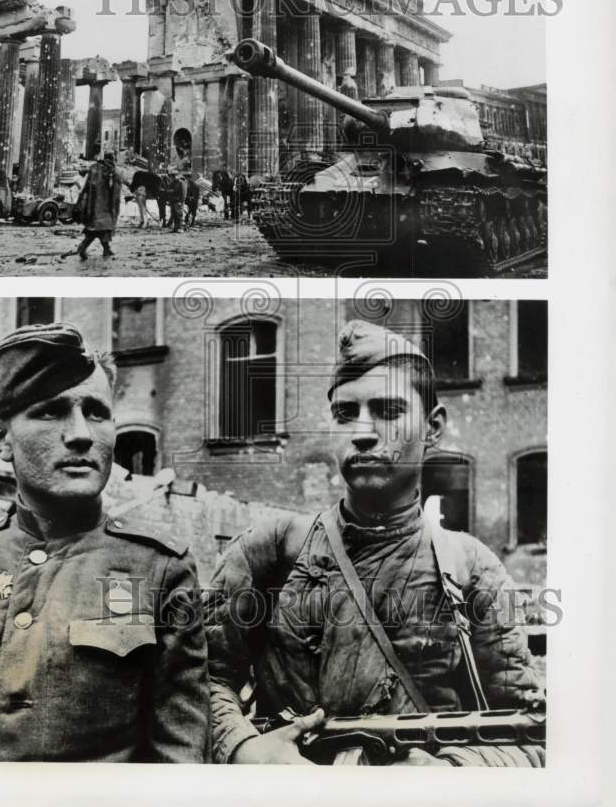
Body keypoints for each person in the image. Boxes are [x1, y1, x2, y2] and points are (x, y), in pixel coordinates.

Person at [205, 319, 544, 767]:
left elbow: (529, 732)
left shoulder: (472, 568)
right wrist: (247, 749)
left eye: (388, 410)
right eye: (345, 413)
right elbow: (197, 678)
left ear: (434, 427)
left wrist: (452, 773)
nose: (362, 431)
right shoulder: (270, 550)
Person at [0, 322, 211, 762]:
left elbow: (179, 751)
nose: (81, 434)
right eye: (52, 411)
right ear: (1, 439)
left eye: (96, 411)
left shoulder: (160, 568)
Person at [77, 152, 122, 259]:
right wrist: (115, 206)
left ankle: (106, 249)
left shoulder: (94, 168)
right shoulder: (114, 171)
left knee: (98, 228)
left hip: (93, 205)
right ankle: (82, 248)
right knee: (100, 229)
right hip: (105, 205)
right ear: (113, 159)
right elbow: (116, 191)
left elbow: (87, 186)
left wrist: (83, 202)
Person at [168, 166, 186, 234]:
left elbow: (183, 193)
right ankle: (175, 228)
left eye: (174, 176)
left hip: (178, 201)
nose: (173, 177)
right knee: (174, 215)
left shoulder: (181, 183)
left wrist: (181, 202)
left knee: (179, 215)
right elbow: (168, 191)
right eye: (171, 176)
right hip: (172, 201)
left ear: (177, 175)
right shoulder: (172, 183)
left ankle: (180, 228)